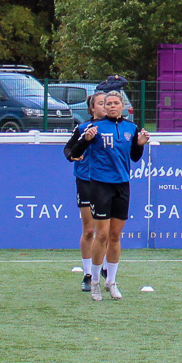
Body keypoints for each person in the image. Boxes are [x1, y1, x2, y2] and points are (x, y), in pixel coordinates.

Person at [66, 83, 148, 301]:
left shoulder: (131, 128)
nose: (111, 106)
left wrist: (140, 144)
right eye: (108, 103)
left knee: (115, 236)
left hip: (122, 185)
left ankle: (111, 281)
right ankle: (94, 280)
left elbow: (135, 157)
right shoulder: (94, 127)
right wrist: (86, 140)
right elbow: (74, 151)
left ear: (122, 106)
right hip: (100, 185)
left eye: (115, 103)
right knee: (101, 234)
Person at [63, 92, 104, 292]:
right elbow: (68, 149)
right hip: (86, 180)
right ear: (92, 108)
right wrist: (73, 156)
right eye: (101, 103)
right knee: (89, 230)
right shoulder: (83, 128)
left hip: (106, 182)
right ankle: (88, 274)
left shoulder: (116, 128)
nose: (105, 106)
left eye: (108, 103)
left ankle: (104, 270)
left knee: (104, 232)